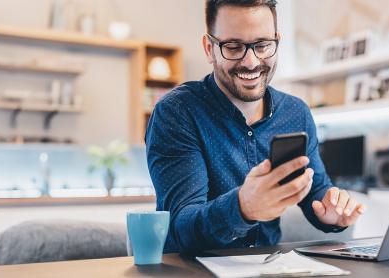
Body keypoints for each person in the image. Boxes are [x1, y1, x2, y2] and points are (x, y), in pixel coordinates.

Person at [146, 0, 365, 254]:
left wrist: (332, 211)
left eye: (262, 45)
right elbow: (180, 227)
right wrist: (242, 208)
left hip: (271, 268)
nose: (251, 62)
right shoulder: (178, 112)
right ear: (209, 48)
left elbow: (315, 189)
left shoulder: (296, 113)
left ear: (276, 42)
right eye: (233, 46)